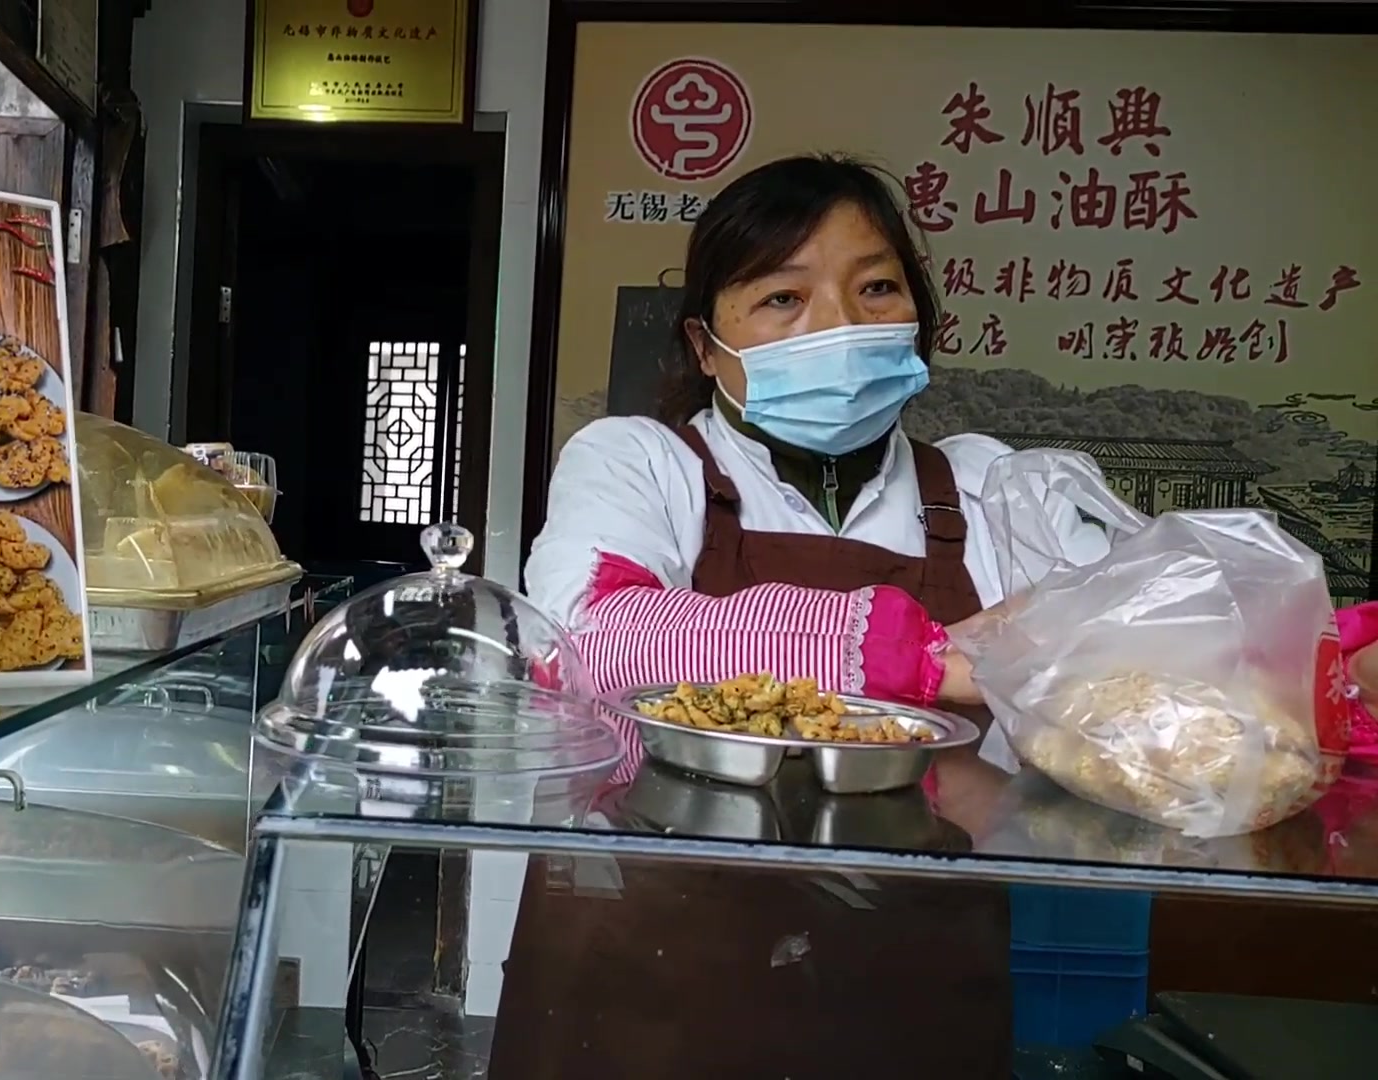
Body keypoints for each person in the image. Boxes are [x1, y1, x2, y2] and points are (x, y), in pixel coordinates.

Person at [488, 153, 1378, 1078]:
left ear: (918, 320)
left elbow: (1152, 656)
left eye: (874, 287)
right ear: (708, 347)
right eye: (782, 300)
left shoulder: (994, 487)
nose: (837, 323)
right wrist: (926, 661)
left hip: (911, 967)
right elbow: (594, 641)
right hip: (657, 963)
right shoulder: (638, 463)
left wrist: (1326, 666)